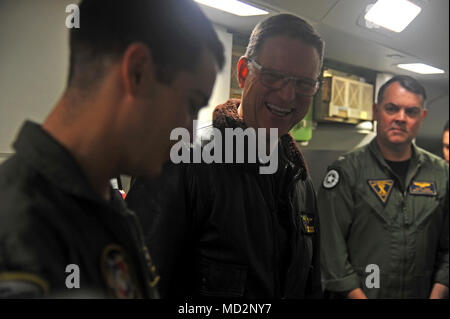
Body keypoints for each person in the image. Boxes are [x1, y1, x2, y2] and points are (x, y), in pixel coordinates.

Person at [0, 0, 224, 298]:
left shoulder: (107, 207)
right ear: (138, 72)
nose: (190, 132)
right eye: (192, 104)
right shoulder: (19, 225)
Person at [126, 14, 324, 298]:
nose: (287, 95)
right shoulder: (180, 161)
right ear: (243, 73)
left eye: (304, 84)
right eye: (273, 76)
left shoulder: (300, 181)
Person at [318, 75, 449, 299]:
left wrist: (437, 295)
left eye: (411, 112)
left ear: (422, 116)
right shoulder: (347, 172)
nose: (401, 118)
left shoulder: (441, 174)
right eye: (392, 108)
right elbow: (331, 256)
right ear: (375, 110)